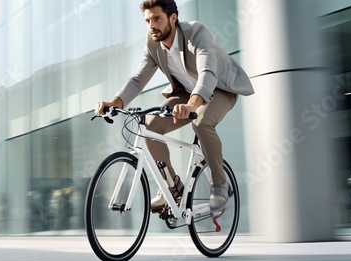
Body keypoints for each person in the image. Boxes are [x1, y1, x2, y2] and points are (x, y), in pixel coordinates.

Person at [95, 0, 254, 215]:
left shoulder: (197, 33)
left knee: (201, 122)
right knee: (149, 126)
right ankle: (172, 187)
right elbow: (137, 79)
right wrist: (115, 102)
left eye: (157, 19)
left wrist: (191, 105)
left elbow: (207, 73)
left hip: (219, 89)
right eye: (148, 21)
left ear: (173, 17)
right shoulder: (153, 44)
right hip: (186, 93)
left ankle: (219, 185)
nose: (152, 25)